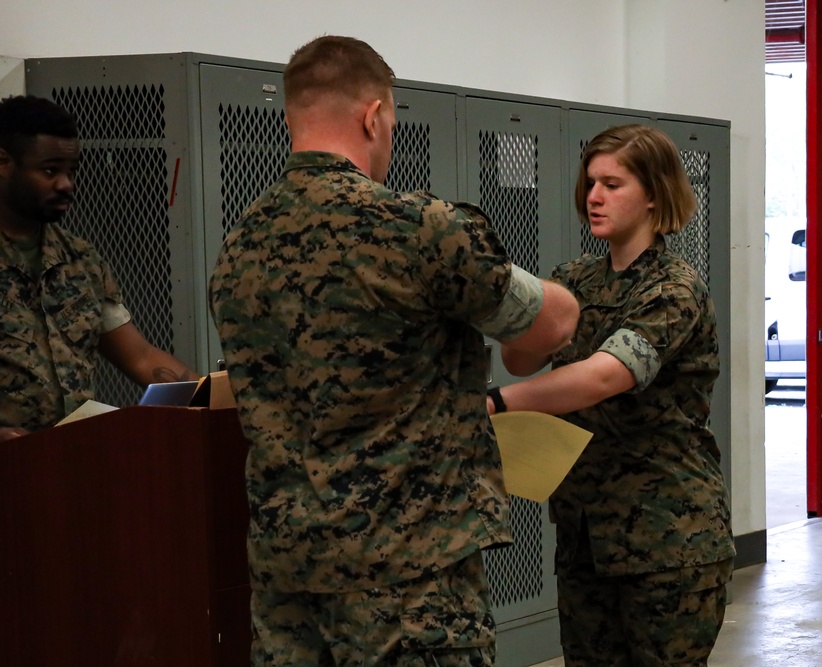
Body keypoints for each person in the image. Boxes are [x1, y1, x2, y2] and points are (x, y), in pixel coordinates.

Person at [208, 35, 580, 666]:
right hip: (410, 582)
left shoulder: (241, 244)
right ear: (374, 115)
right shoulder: (417, 228)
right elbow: (552, 324)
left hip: (287, 572)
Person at [489, 124, 736, 666]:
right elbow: (519, 357)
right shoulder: (573, 279)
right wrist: (527, 324)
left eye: (612, 184)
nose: (594, 196)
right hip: (587, 534)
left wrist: (499, 403)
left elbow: (605, 375)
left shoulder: (674, 287)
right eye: (591, 182)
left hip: (667, 537)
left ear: (654, 193)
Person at [0, 95, 197, 442]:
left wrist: (210, 394)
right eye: (50, 170)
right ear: (4, 163)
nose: (66, 184)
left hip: (74, 464)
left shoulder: (78, 258)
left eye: (71, 171)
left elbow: (139, 357)